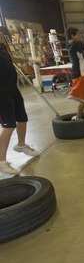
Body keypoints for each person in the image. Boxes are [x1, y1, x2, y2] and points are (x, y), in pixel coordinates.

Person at [0, 33, 41, 175]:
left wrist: (30, 59)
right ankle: (1, 162)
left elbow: (12, 59)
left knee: (22, 118)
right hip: (1, 93)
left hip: (12, 88)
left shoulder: (3, 47)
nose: (0, 34)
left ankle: (21, 145)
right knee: (9, 125)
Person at [66, 27, 84, 121]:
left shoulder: (72, 44)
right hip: (80, 74)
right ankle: (78, 117)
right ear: (72, 36)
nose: (80, 36)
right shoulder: (74, 45)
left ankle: (75, 95)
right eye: (78, 35)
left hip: (78, 73)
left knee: (83, 98)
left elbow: (80, 53)